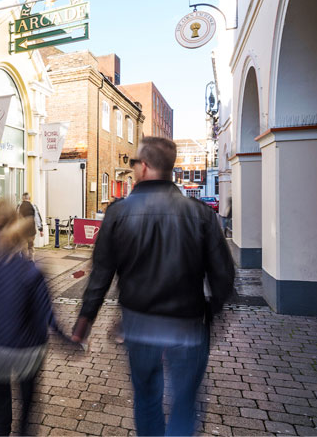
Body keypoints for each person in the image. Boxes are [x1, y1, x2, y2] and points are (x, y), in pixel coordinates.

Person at [71, 137, 234, 437]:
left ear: (144, 167)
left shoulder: (118, 214)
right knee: (185, 403)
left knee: (147, 399)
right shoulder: (200, 214)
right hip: (188, 326)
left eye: (134, 163)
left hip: (139, 325)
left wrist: (84, 322)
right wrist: (209, 312)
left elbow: (101, 275)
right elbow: (224, 275)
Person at [0, 200, 69, 436]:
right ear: (15, 222)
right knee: (28, 404)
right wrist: (68, 339)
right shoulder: (29, 268)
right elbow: (46, 313)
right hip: (26, 349)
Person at [17, 193, 43, 259]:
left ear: (23, 198)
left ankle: (24, 262)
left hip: (22, 230)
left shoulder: (19, 206)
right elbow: (37, 218)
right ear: (29, 198)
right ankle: (31, 260)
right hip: (31, 231)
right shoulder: (33, 206)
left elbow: (16, 218)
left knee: (23, 247)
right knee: (31, 246)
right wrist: (40, 229)